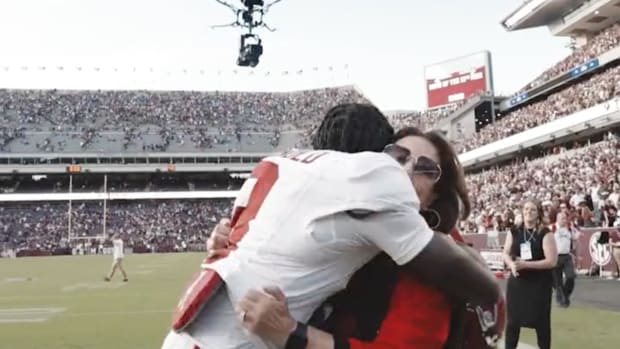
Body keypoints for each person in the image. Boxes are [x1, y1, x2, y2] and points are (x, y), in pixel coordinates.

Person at [162, 104, 499, 349]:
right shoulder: (361, 205)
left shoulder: (424, 257)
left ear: (435, 195)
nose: (404, 170)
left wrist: (292, 334)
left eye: (426, 168)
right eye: (396, 156)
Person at [502, 199, 558, 349]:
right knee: (512, 323)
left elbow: (552, 261)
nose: (528, 212)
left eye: (532, 209)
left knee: (541, 324)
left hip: (539, 285)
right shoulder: (514, 231)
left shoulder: (545, 233)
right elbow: (505, 253)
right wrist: (512, 264)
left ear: (538, 213)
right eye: (526, 209)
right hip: (517, 284)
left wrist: (526, 265)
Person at [551, 212, 577, 307]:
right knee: (557, 282)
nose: (564, 220)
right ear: (557, 219)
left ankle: (565, 294)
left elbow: (575, 241)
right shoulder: (552, 228)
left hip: (566, 256)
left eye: (565, 218)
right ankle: (562, 300)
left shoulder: (569, 229)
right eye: (562, 218)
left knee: (571, 277)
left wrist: (576, 255)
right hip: (555, 256)